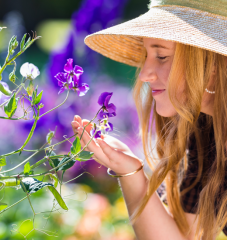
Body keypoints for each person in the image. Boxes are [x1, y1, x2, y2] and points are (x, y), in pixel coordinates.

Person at [71, 1, 227, 239]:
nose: (144, 74)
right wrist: (129, 172)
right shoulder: (206, 134)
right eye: (147, 55)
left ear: (214, 64)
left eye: (162, 56)